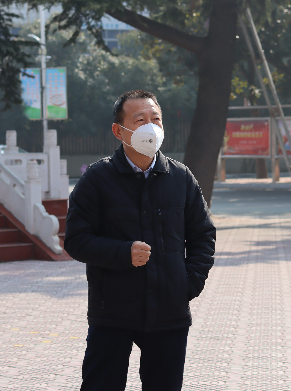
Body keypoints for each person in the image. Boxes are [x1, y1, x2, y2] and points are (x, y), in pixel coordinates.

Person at [65, 89, 216, 390]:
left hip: (169, 311)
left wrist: (187, 284)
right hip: (113, 311)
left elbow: (203, 235)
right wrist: (123, 253)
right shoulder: (97, 178)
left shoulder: (181, 177)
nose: (150, 127)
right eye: (140, 120)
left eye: (155, 119)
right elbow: (76, 239)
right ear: (118, 131)